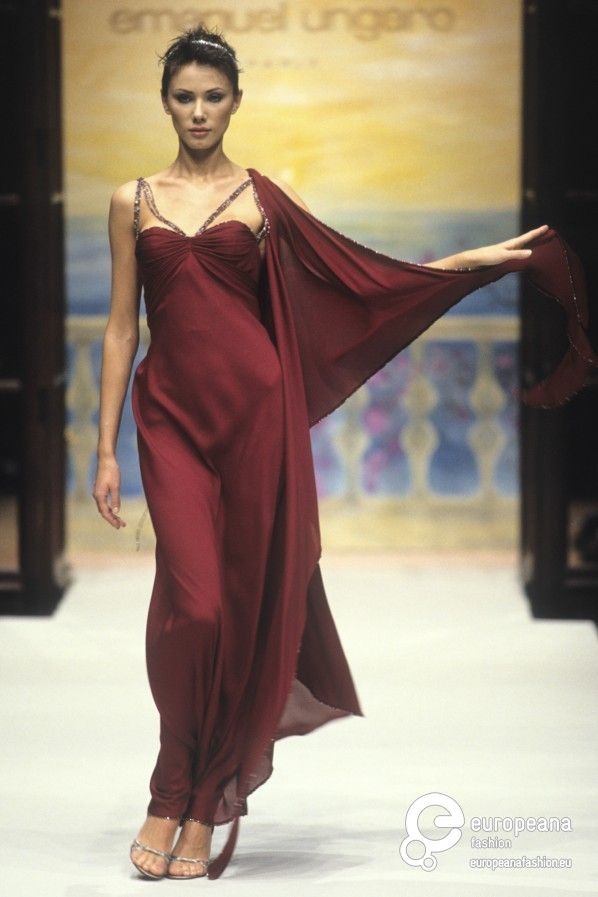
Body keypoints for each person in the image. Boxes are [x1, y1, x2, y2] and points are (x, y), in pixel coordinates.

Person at [91, 24, 597, 881]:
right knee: (194, 606)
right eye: (184, 97)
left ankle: (205, 795)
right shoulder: (130, 200)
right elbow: (118, 329)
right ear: (165, 103)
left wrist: (470, 264)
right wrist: (105, 448)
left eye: (214, 97)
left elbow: (359, 279)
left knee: (240, 605)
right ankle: (169, 784)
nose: (199, 111)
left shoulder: (261, 200)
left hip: (253, 419)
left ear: (236, 102)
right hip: (169, 420)